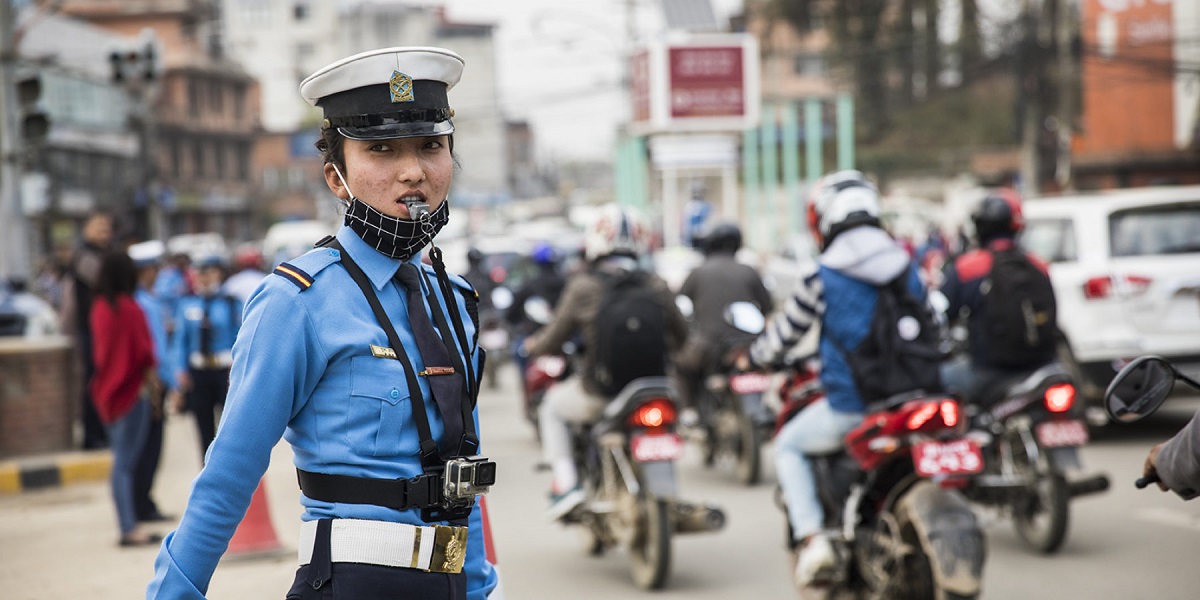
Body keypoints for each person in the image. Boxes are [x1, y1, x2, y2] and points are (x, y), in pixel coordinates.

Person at [148, 47, 498, 599]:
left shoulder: (453, 301)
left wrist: (481, 588)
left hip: (450, 584)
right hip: (350, 583)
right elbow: (229, 475)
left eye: (431, 146)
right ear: (337, 178)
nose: (413, 171)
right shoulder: (297, 302)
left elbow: (463, 472)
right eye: (381, 150)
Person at [735, 170, 933, 587]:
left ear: (823, 218)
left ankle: (813, 540)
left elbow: (782, 338)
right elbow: (938, 326)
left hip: (854, 405)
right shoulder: (907, 266)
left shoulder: (822, 274)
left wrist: (753, 358)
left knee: (788, 446)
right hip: (918, 398)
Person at [523, 204, 688, 520]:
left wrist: (534, 347)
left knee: (552, 408)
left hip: (601, 394)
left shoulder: (584, 286)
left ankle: (567, 484)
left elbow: (553, 337)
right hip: (657, 389)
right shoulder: (657, 284)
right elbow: (682, 337)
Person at [937, 190, 1057, 404]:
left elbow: (940, 314)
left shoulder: (968, 267)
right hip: (1044, 367)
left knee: (938, 380)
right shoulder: (1039, 265)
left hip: (989, 372)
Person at [90, 250, 162, 547]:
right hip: (132, 394)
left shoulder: (99, 309)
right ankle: (129, 528)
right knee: (125, 464)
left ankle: (128, 523)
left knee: (121, 461)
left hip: (106, 394)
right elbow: (145, 355)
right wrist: (156, 392)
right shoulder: (131, 309)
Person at [676, 221, 773, 421]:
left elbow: (680, 304)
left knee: (681, 366)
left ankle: (690, 412)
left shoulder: (698, 272)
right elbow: (767, 307)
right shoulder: (748, 271)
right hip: (749, 345)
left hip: (709, 346)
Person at [167, 254, 242, 462]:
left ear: (218, 274)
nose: (204, 278)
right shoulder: (187, 304)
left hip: (224, 371)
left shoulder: (230, 303)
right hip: (199, 371)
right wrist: (179, 370)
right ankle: (207, 467)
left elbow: (240, 336)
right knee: (203, 427)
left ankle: (229, 466)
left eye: (208, 273)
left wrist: (238, 366)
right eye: (199, 274)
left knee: (230, 426)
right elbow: (180, 341)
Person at [129, 241, 176, 523]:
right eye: (153, 269)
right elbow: (151, 349)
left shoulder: (151, 299)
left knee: (154, 446)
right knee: (147, 446)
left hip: (160, 380)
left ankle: (145, 502)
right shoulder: (139, 303)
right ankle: (141, 505)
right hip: (151, 383)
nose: (157, 273)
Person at [60, 211, 114, 449]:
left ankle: (103, 431)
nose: (104, 232)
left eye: (107, 227)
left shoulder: (104, 254)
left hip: (103, 330)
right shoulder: (84, 256)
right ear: (86, 230)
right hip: (89, 330)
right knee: (92, 380)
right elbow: (105, 282)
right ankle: (92, 436)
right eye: (99, 226)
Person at [505, 242, 566, 379]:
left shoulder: (529, 284)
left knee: (519, 353)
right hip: (563, 337)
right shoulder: (565, 283)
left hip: (534, 337)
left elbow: (511, 312)